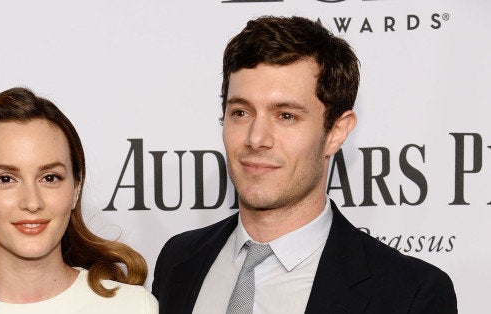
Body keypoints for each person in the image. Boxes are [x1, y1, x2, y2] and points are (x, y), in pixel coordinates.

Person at [152, 16, 457, 314]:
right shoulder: (179, 260)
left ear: (336, 132)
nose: (256, 138)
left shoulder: (409, 294)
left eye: (286, 116)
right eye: (241, 112)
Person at [0, 87, 158, 314]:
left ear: (76, 189)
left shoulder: (133, 307)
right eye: (6, 179)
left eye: (50, 178)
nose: (32, 203)